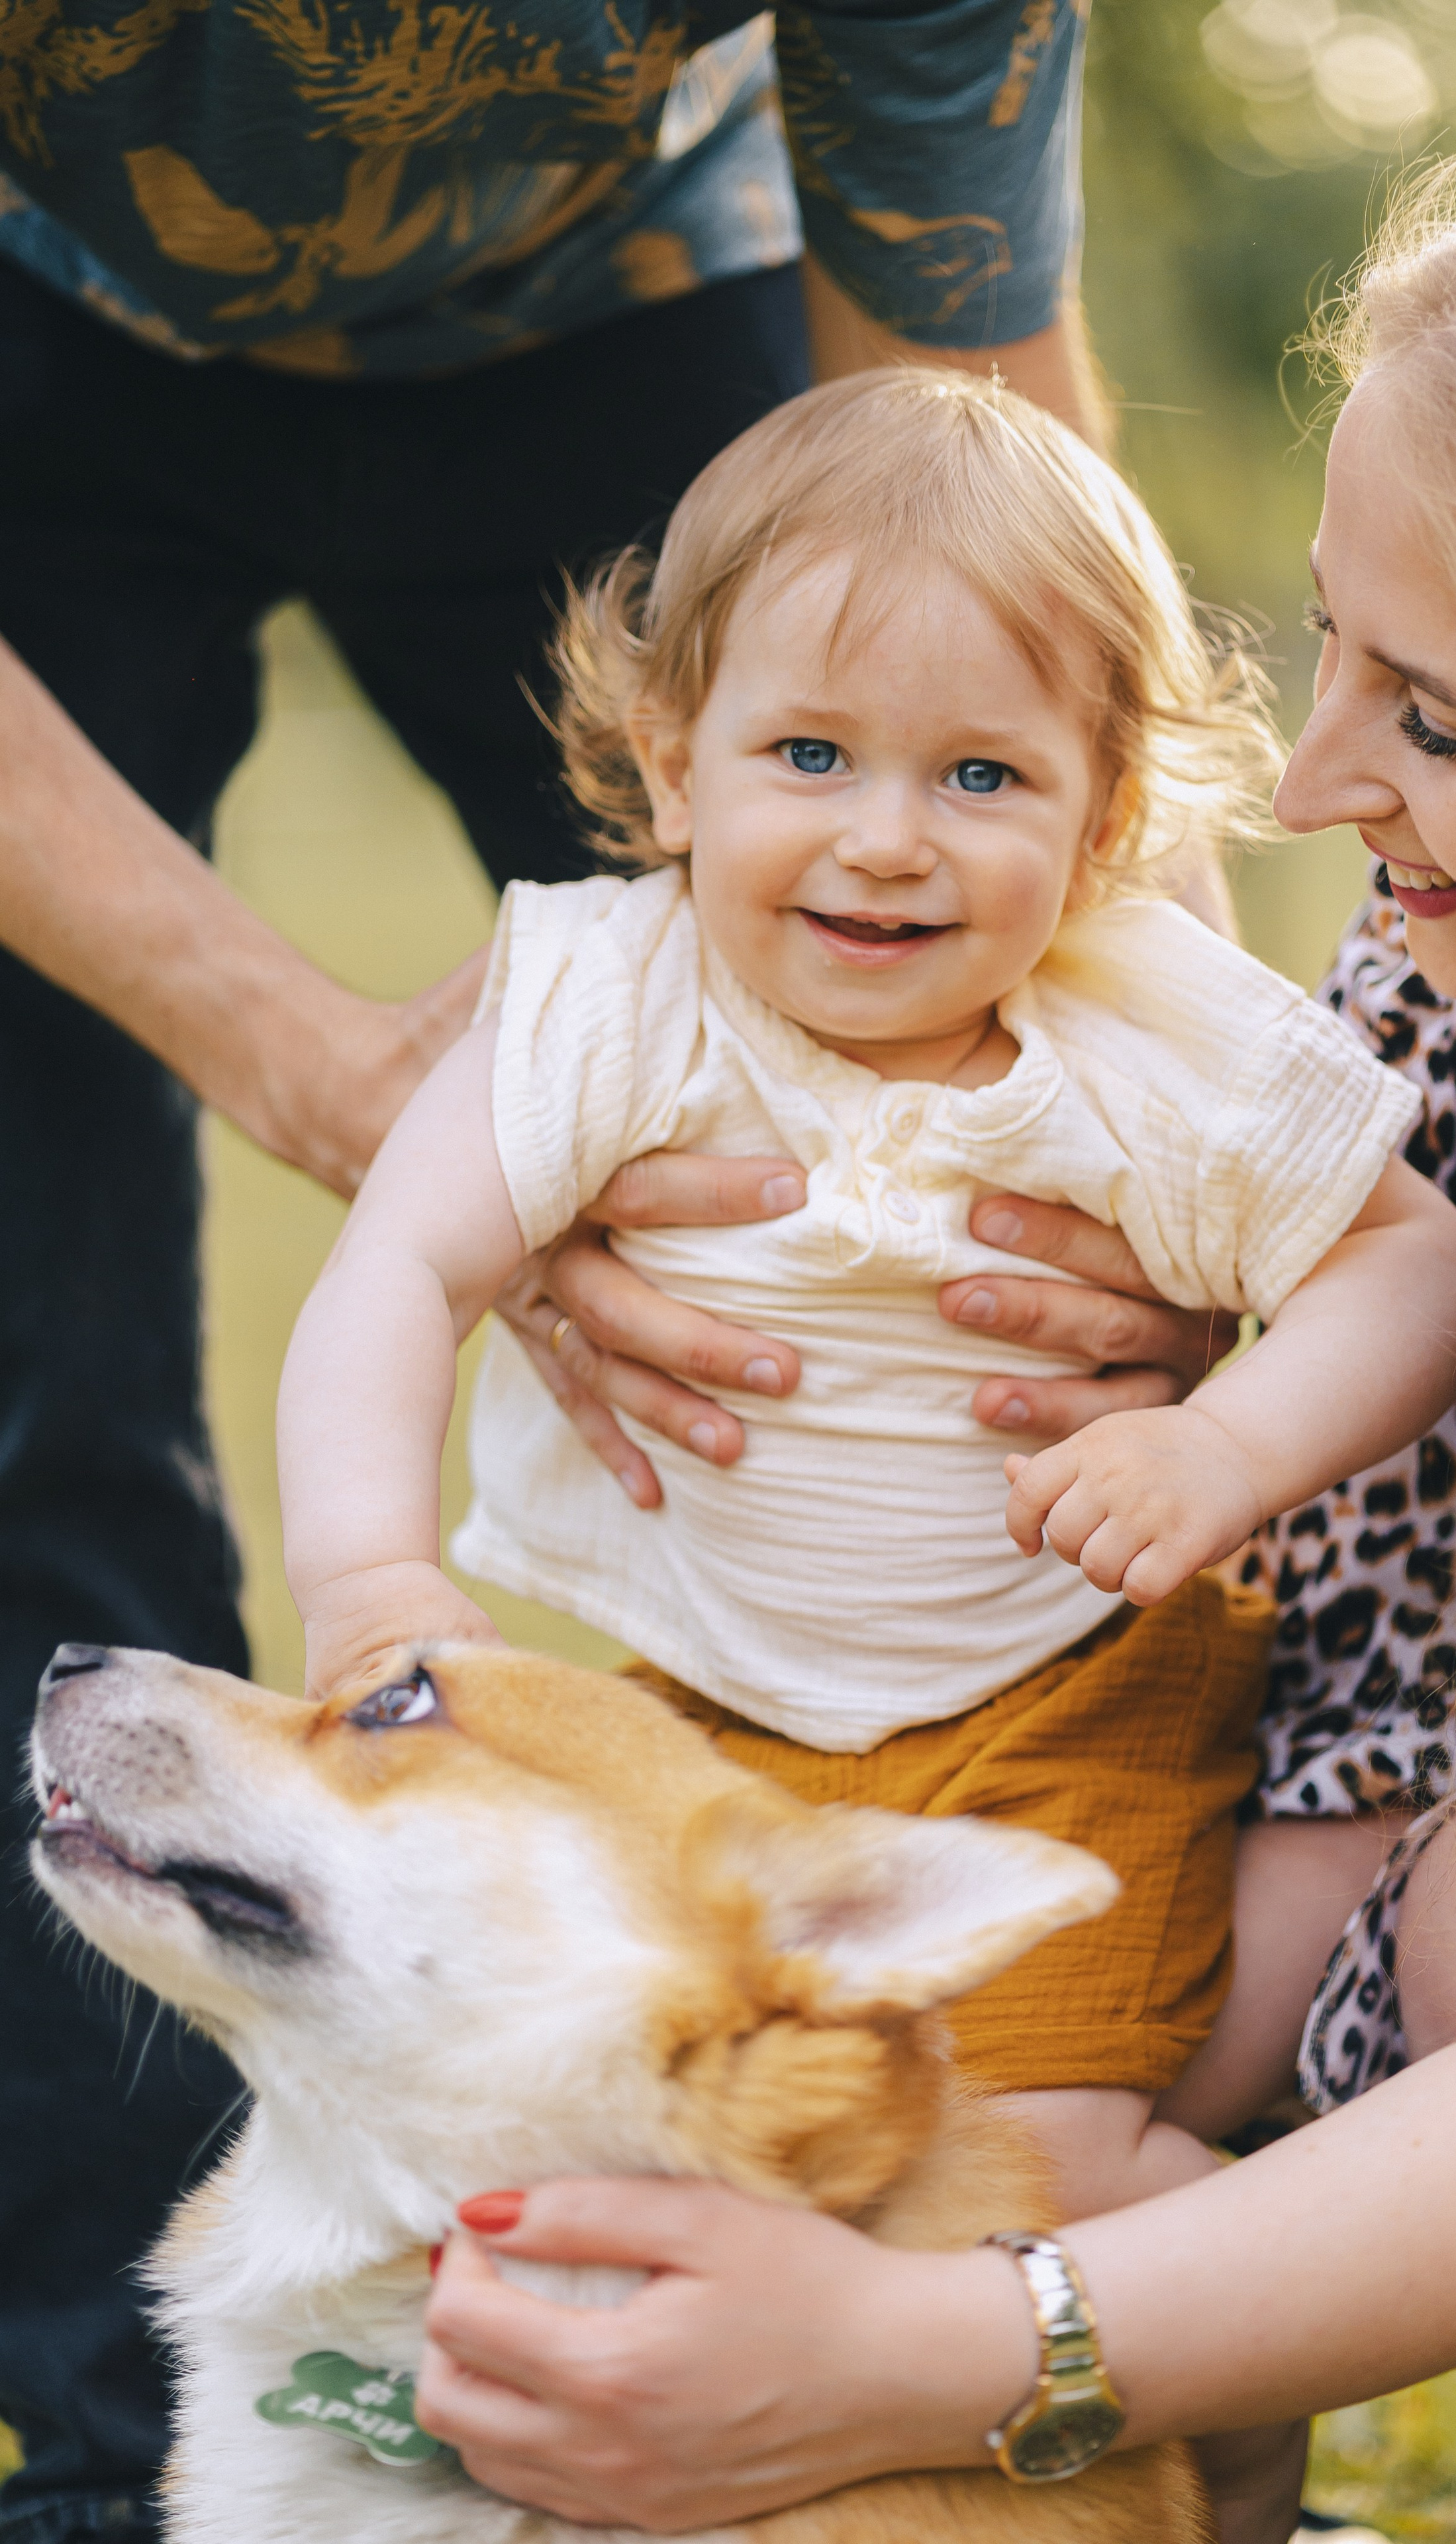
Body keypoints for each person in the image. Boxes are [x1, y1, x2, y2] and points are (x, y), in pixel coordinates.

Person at [403, 102, 1456, 2544]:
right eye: (1331, 646)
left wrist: (956, 2335)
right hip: (1420, 1834)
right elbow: (1376, 1654)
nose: (1312, 781)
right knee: (1208, 1951)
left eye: (1434, 717)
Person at [0, 1, 1106, 2530]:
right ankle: (121, 2446)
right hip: (29, 317)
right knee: (29, 1366)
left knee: (870, 1313)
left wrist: (1081, 1136)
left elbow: (988, 484)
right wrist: (326, 1082)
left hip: (630, 326)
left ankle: (851, 2348)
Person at [273, 370, 1456, 2309]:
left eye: (984, 777)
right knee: (703, 2149)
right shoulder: (606, 999)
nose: (890, 841)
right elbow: (397, 1274)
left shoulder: (1152, 1039)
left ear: (1103, 822)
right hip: (705, 1709)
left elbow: (1415, 1265)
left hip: (1065, 1703)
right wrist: (366, 1567)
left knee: (1046, 2160)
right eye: (813, 755)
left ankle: (1239, 2392)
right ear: (677, 767)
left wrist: (1223, 1445)